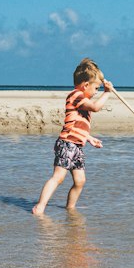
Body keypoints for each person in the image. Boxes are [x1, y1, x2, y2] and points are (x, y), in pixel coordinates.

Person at [32, 59, 114, 215]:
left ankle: (70, 208)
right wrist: (107, 93)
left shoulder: (83, 99)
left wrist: (89, 138)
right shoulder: (76, 96)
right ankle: (40, 206)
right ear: (85, 86)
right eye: (96, 88)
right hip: (66, 144)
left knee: (80, 181)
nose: (96, 92)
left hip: (77, 146)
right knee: (58, 177)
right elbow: (96, 107)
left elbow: (77, 124)